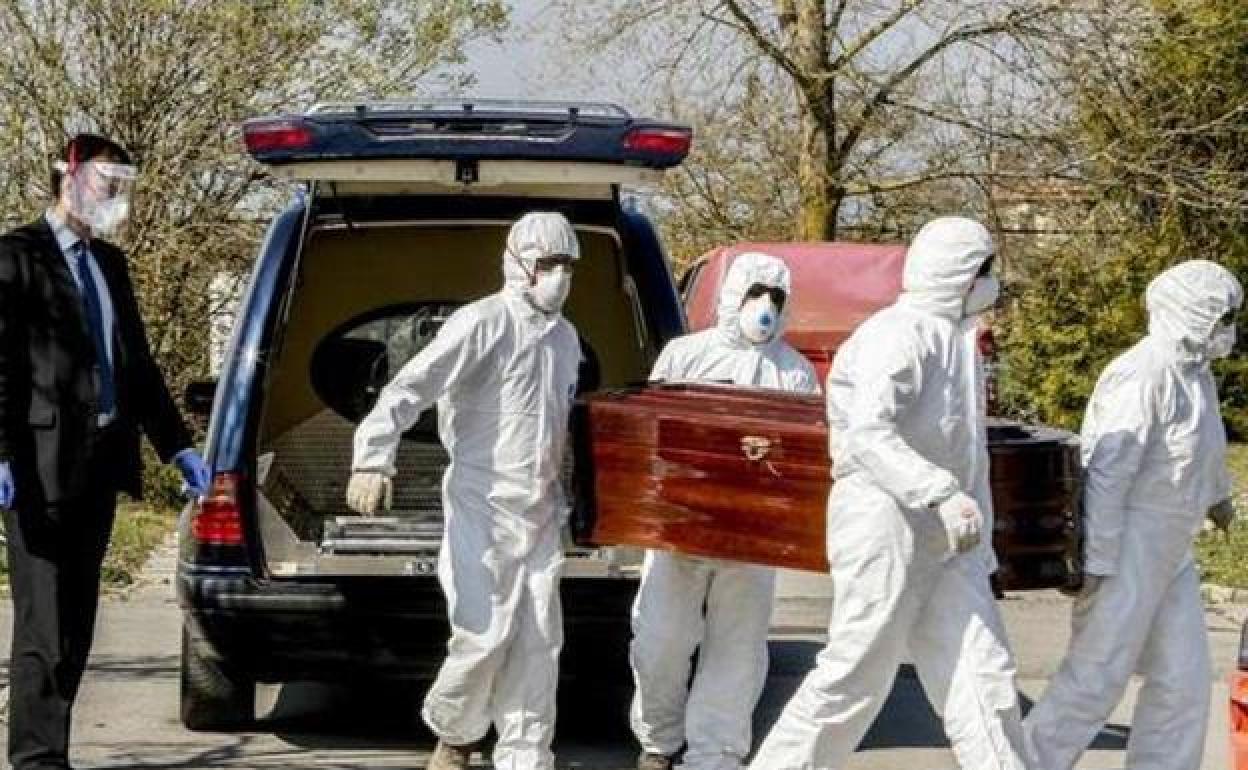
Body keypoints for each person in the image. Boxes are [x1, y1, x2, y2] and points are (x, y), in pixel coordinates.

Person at [749, 217, 1027, 770]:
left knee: (983, 677)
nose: (991, 281)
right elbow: (870, 433)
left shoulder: (957, 340)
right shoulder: (897, 336)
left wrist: (972, 526)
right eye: (984, 270)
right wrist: (939, 492)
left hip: (947, 534)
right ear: (956, 274)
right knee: (857, 675)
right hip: (885, 519)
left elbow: (965, 448)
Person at [0, 133, 210, 770]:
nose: (114, 196)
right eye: (104, 182)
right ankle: (36, 757)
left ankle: (51, 746)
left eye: (120, 185)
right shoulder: (17, 258)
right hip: (35, 464)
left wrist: (177, 447)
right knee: (44, 618)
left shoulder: (109, 265)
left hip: (100, 460)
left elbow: (138, 368)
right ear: (68, 178)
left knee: (78, 615)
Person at [346, 211, 582, 770]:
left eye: (567, 265)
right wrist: (374, 456)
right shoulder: (483, 322)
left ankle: (526, 756)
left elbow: (562, 426)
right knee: (482, 633)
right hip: (482, 503)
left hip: (542, 509)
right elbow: (413, 384)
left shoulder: (567, 340)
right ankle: (455, 737)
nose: (559, 276)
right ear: (519, 265)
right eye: (548, 264)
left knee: (539, 642)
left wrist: (576, 498)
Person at [1023, 260, 1242, 770]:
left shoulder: (1195, 374)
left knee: (1182, 681)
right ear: (1193, 312)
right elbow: (1108, 473)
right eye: (1222, 316)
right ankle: (1024, 764)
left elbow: (1202, 444)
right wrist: (1097, 561)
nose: (1227, 330)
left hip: (1172, 551)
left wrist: (1216, 495)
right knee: (1094, 679)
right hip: (1128, 546)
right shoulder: (1143, 372)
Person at [631, 252, 820, 770]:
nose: (764, 308)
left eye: (775, 299)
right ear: (731, 297)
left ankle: (714, 754)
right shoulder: (684, 355)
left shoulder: (795, 373)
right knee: (660, 642)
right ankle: (659, 741)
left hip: (752, 532)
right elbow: (655, 430)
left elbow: (800, 452)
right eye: (755, 295)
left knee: (736, 651)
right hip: (682, 525)